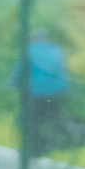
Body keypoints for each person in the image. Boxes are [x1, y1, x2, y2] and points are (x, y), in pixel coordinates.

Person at [9, 29, 72, 158]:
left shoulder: (29, 50)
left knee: (30, 120)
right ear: (46, 39)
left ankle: (36, 149)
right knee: (51, 117)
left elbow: (19, 71)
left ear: (32, 39)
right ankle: (49, 142)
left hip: (39, 93)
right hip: (59, 93)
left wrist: (13, 83)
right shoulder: (57, 50)